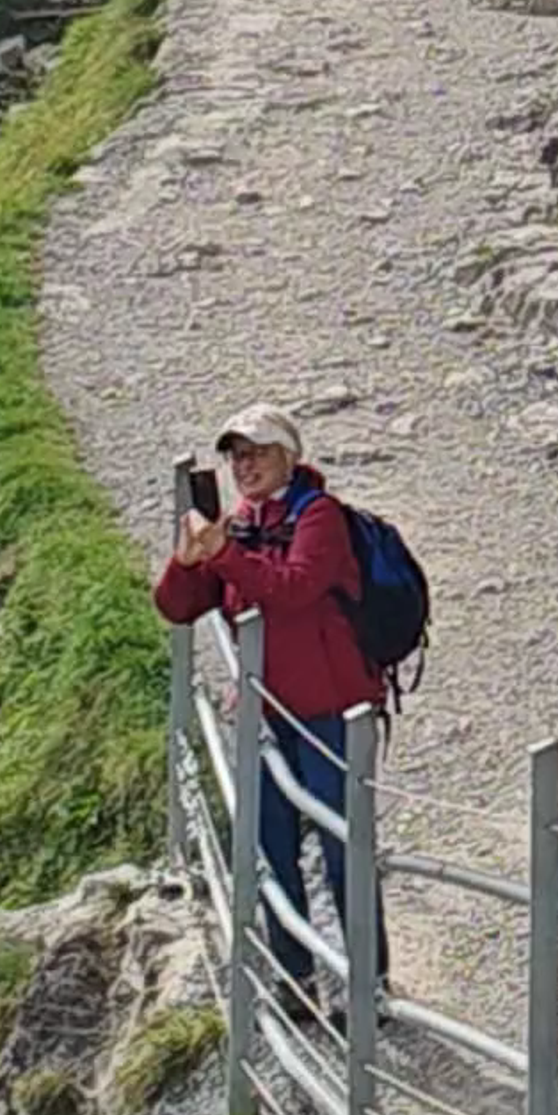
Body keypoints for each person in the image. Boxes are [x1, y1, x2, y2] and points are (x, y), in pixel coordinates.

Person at [152, 405, 390, 1000]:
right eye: (237, 456)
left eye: (258, 452)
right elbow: (178, 607)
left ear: (289, 456)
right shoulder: (241, 523)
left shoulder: (320, 517)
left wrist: (224, 553)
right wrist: (187, 562)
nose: (245, 465)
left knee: (343, 845)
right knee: (269, 842)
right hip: (268, 710)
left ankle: (368, 987)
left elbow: (295, 588)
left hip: (331, 712)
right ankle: (295, 977)